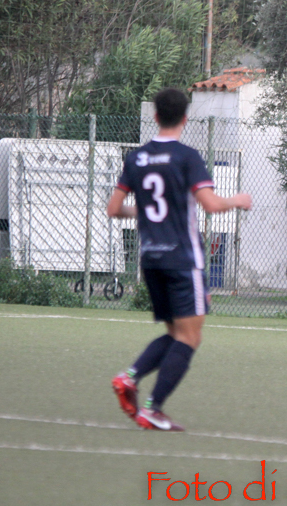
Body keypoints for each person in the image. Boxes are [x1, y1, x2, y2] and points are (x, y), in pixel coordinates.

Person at [107, 88, 253, 431]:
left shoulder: (137, 158)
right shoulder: (187, 157)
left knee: (176, 332)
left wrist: (144, 212)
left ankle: (130, 378)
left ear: (155, 116)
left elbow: (114, 209)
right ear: (185, 119)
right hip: (182, 258)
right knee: (190, 337)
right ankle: (151, 406)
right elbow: (210, 204)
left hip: (151, 258)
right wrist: (237, 200)